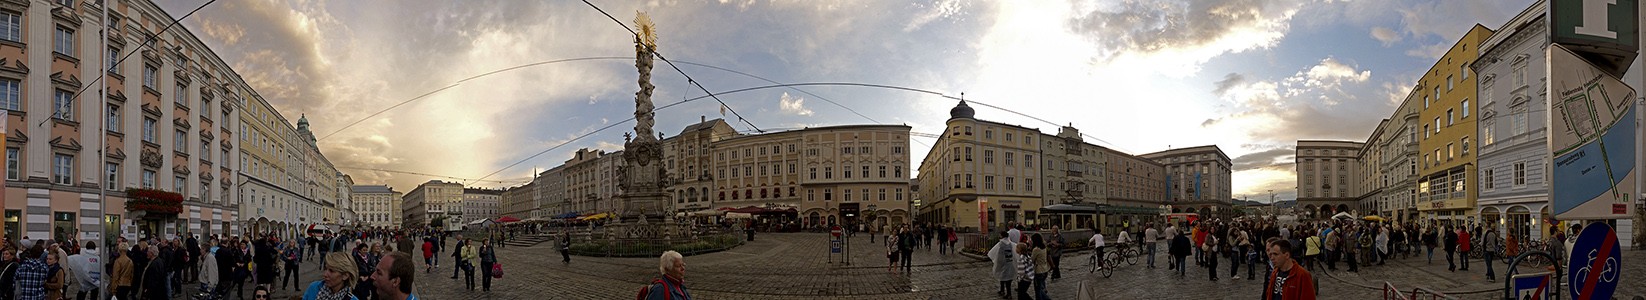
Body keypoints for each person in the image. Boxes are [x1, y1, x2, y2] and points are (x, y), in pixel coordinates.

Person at [988, 231, 1015, 299]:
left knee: (1003, 277)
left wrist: (997, 262)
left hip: (1003, 262)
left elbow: (996, 253)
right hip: (1010, 262)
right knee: (1007, 277)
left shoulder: (1000, 243)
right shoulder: (1011, 243)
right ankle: (1003, 291)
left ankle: (1008, 294)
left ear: (1002, 236)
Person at [1031, 234, 1050, 300]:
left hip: (1039, 271)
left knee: (1038, 290)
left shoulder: (1036, 249)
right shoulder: (1044, 247)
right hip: (1045, 269)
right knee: (1042, 287)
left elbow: (1032, 260)